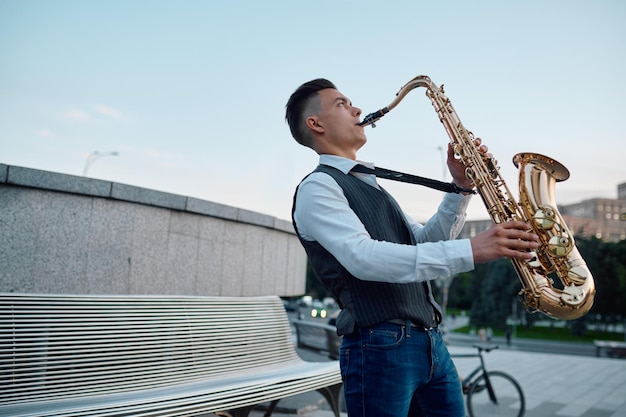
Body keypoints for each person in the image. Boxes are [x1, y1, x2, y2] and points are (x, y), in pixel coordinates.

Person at [285, 78, 539, 417]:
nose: (358, 109)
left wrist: (460, 188)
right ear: (315, 124)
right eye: (342, 104)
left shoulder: (372, 188)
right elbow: (365, 259)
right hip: (379, 347)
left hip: (430, 342)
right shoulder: (318, 187)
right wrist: (471, 250)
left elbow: (422, 244)